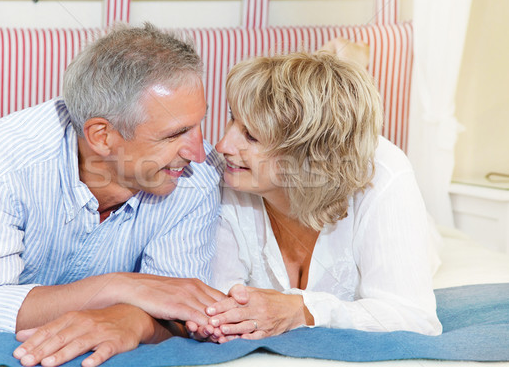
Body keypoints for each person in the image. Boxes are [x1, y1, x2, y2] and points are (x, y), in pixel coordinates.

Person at [0, 23, 226, 367]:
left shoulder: (197, 175)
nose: (199, 153)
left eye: (200, 124)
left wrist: (138, 321)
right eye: (177, 133)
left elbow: (180, 308)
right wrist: (119, 287)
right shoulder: (2, 157)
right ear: (101, 136)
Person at [187, 48, 443, 342]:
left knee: (431, 239)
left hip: (409, 227)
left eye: (251, 136)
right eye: (232, 119)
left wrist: (303, 309)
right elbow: (221, 301)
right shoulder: (225, 175)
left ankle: (350, 57)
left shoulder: (385, 174)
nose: (222, 145)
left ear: (308, 156)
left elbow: (415, 317)